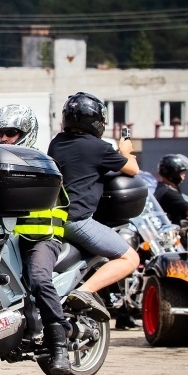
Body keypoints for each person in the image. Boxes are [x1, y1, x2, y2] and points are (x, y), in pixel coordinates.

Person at [0, 104, 71, 374]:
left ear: (27, 132)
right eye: (0, 133)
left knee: (39, 278)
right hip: (6, 237)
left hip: (39, 239)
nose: (3, 139)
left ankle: (60, 346)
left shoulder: (38, 164)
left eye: (10, 133)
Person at [47, 92, 140, 321]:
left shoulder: (56, 143)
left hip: (55, 219)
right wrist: (125, 151)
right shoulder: (98, 148)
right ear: (97, 121)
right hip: (79, 221)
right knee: (131, 259)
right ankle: (85, 292)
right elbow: (133, 169)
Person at [154, 153, 188, 226]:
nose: (184, 175)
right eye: (181, 172)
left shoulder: (163, 188)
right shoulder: (168, 193)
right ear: (173, 173)